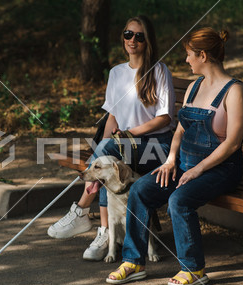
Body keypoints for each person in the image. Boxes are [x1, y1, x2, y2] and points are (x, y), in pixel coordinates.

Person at [106, 27, 243, 285]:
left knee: (179, 199)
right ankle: (134, 260)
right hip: (185, 164)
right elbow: (180, 129)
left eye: (189, 55)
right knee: (140, 189)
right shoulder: (194, 87)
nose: (186, 60)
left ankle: (193, 268)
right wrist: (171, 159)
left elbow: (232, 144)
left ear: (203, 55)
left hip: (221, 169)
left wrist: (198, 169)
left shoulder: (234, 91)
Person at [47, 16, 176, 261]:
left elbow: (165, 119)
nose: (133, 40)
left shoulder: (158, 71)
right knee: (109, 156)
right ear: (123, 36)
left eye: (139, 36)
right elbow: (113, 118)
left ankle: (82, 211)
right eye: (129, 34)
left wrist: (128, 135)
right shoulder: (116, 73)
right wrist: (102, 149)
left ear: (148, 41)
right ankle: (105, 231)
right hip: (124, 145)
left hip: (157, 146)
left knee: (111, 152)